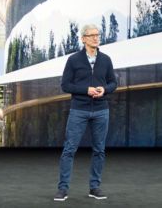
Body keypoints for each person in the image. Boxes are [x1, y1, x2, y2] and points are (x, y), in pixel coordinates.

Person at [54, 24, 117, 202]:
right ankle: (63, 189)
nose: (96, 38)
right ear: (83, 39)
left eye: (98, 35)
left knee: (99, 150)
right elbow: (65, 85)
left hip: (101, 110)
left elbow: (113, 83)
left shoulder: (106, 59)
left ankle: (94, 187)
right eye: (92, 35)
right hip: (79, 110)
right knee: (69, 150)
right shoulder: (73, 60)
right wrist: (86, 90)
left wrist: (104, 89)